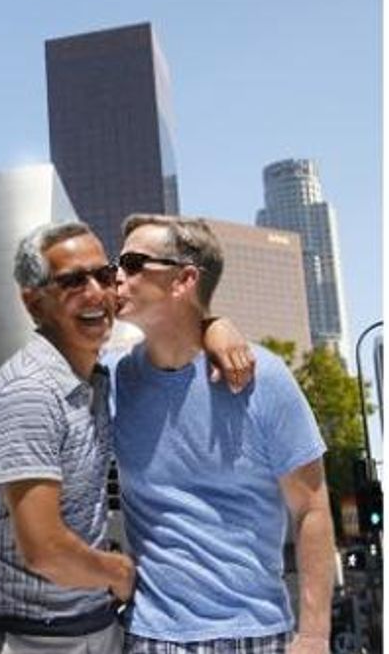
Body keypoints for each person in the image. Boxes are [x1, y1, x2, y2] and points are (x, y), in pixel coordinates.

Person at [0, 221, 252, 654]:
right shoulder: (30, 391)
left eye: (103, 274)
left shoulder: (100, 379)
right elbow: (45, 551)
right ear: (33, 302)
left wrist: (215, 325)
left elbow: (175, 331)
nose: (96, 292)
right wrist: (120, 573)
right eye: (73, 281)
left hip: (93, 627)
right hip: (29, 637)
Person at [111, 214, 334, 654]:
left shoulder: (265, 378)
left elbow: (312, 509)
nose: (117, 276)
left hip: (254, 635)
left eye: (134, 264)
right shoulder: (115, 381)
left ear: (184, 279)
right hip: (151, 637)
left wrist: (313, 635)